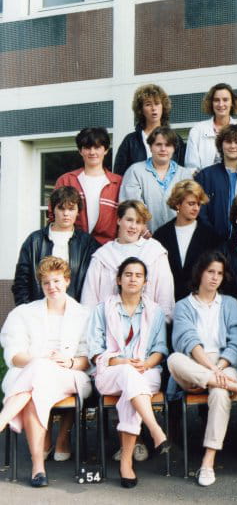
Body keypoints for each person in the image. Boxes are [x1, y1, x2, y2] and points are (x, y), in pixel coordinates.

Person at [167, 251, 237, 487]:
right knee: (174, 359)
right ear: (200, 273)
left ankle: (208, 461)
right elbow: (187, 340)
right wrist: (210, 369)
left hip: (225, 364)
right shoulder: (183, 305)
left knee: (219, 392)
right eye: (210, 272)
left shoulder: (229, 304)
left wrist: (220, 366)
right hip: (193, 366)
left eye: (219, 273)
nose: (215, 277)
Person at [0, 257, 92, 487]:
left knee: (38, 375)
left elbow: (88, 359)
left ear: (67, 281)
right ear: (41, 285)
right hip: (30, 372)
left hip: (69, 374)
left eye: (57, 281)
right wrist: (39, 361)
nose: (52, 287)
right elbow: (14, 355)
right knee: (37, 384)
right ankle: (38, 468)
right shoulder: (24, 313)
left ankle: (3, 419)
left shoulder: (84, 314)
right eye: (46, 282)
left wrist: (69, 361)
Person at [87, 257, 171, 488]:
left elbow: (160, 349)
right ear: (118, 279)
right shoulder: (102, 309)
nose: (133, 279)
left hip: (146, 371)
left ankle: (126, 463)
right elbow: (94, 350)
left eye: (138, 275)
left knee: (132, 388)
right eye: (128, 274)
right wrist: (122, 361)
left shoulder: (155, 312)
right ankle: (155, 429)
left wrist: (146, 364)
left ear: (145, 282)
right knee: (127, 374)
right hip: (110, 371)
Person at [81, 200, 175, 321]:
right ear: (119, 220)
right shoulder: (103, 255)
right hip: (107, 325)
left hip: (148, 325)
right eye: (129, 220)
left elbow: (165, 298)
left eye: (138, 222)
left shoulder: (155, 252)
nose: (133, 226)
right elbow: (89, 300)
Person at [13, 186, 99, 304]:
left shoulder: (87, 243)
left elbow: (95, 282)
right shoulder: (34, 241)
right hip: (39, 309)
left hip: (75, 310)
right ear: (53, 209)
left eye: (71, 209)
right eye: (61, 208)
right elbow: (21, 282)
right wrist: (27, 310)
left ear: (78, 212)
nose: (66, 213)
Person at [153, 180, 222, 301]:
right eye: (191, 204)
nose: (196, 208)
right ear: (178, 204)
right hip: (167, 300)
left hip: (200, 302)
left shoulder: (211, 236)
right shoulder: (161, 235)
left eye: (198, 204)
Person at [119, 126, 194, 233]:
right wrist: (144, 231)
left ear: (174, 148)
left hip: (178, 236)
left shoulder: (185, 175)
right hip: (143, 237)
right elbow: (130, 207)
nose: (163, 149)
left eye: (168, 145)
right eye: (158, 144)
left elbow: (189, 208)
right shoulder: (135, 171)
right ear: (150, 147)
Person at [195, 124, 237, 240]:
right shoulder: (205, 176)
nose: (233, 146)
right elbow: (199, 211)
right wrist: (211, 236)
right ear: (221, 145)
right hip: (211, 242)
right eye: (228, 141)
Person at [55, 126, 122, 244]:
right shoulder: (66, 180)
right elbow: (53, 215)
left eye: (97, 147)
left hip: (107, 247)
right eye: (87, 147)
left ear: (106, 150)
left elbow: (124, 218)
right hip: (72, 245)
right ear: (80, 151)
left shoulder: (118, 183)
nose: (92, 152)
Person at [114, 84, 185, 176]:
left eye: (157, 103)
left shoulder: (176, 139)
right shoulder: (130, 141)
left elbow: (182, 173)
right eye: (148, 104)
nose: (153, 108)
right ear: (141, 110)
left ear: (163, 107)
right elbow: (119, 175)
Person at [185, 83, 237, 170]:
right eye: (216, 100)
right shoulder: (197, 130)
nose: (221, 104)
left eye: (225, 100)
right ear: (211, 103)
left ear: (232, 102)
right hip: (203, 178)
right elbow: (191, 167)